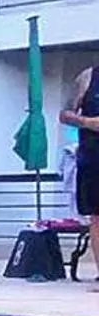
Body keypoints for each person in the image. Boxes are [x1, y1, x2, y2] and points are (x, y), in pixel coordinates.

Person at [59, 64, 99, 292]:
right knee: (97, 217)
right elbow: (64, 114)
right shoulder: (88, 77)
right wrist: (88, 122)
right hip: (94, 158)